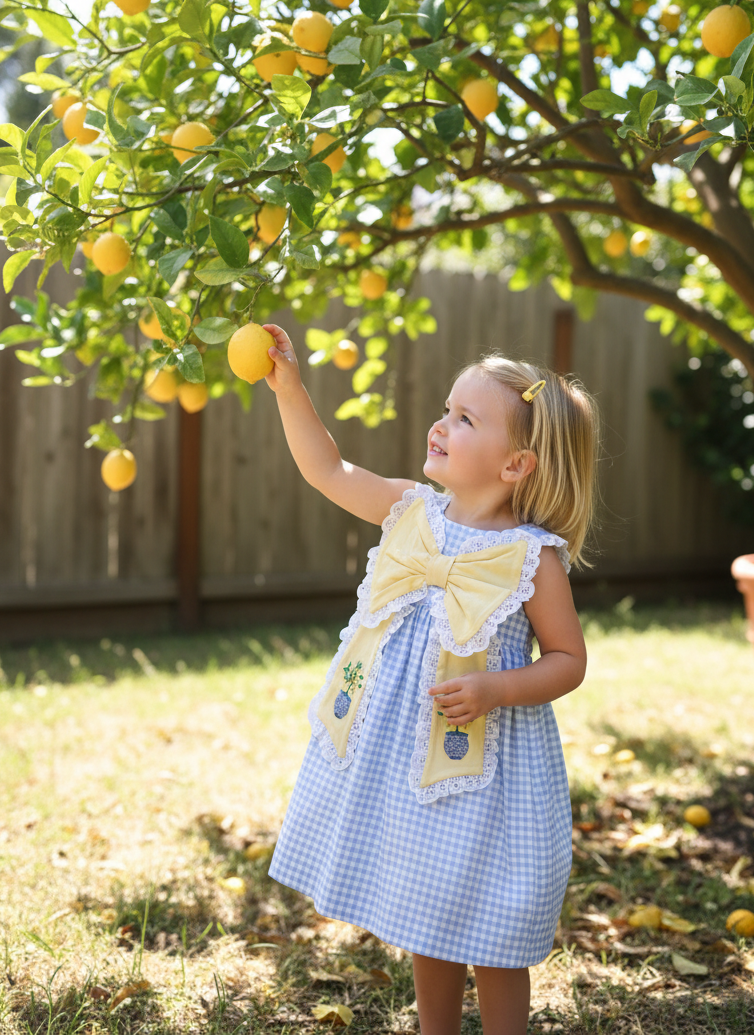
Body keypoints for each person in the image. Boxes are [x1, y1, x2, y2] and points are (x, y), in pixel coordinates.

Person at [260, 323, 600, 1035]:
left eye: (465, 419)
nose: (440, 425)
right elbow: (328, 470)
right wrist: (290, 388)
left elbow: (569, 660)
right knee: (430, 909)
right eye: (447, 410)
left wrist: (495, 690)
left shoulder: (531, 558)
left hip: (488, 770)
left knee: (496, 928)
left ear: (515, 466)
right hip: (406, 763)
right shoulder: (410, 508)